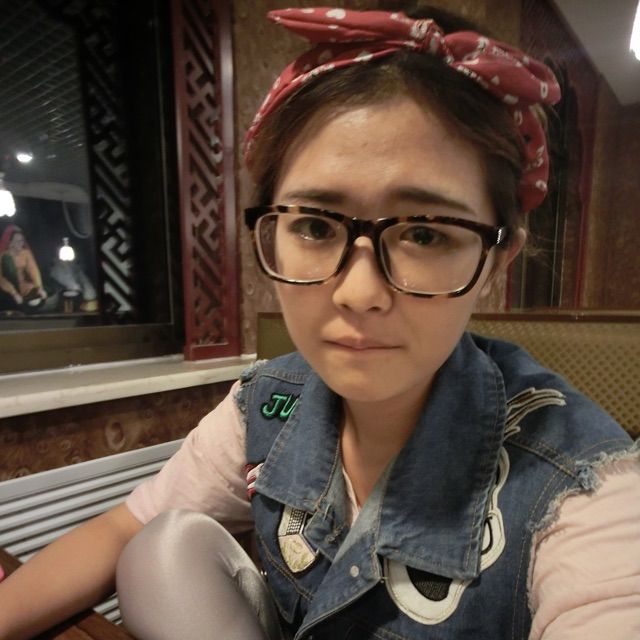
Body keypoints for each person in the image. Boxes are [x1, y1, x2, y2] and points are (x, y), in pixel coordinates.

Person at [1, 4, 638, 639]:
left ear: (496, 261)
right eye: (314, 225)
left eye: (424, 233)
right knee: (162, 550)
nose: (359, 293)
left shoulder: (581, 486)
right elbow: (124, 529)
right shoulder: (269, 405)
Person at [0, 225, 47, 309]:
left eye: (22, 241)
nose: (21, 244)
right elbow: (1, 279)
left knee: (40, 298)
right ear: (10, 243)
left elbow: (34, 271)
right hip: (7, 289)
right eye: (17, 241)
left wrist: (39, 287)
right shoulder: (3, 256)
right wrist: (14, 293)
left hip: (24, 287)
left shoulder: (25, 253)